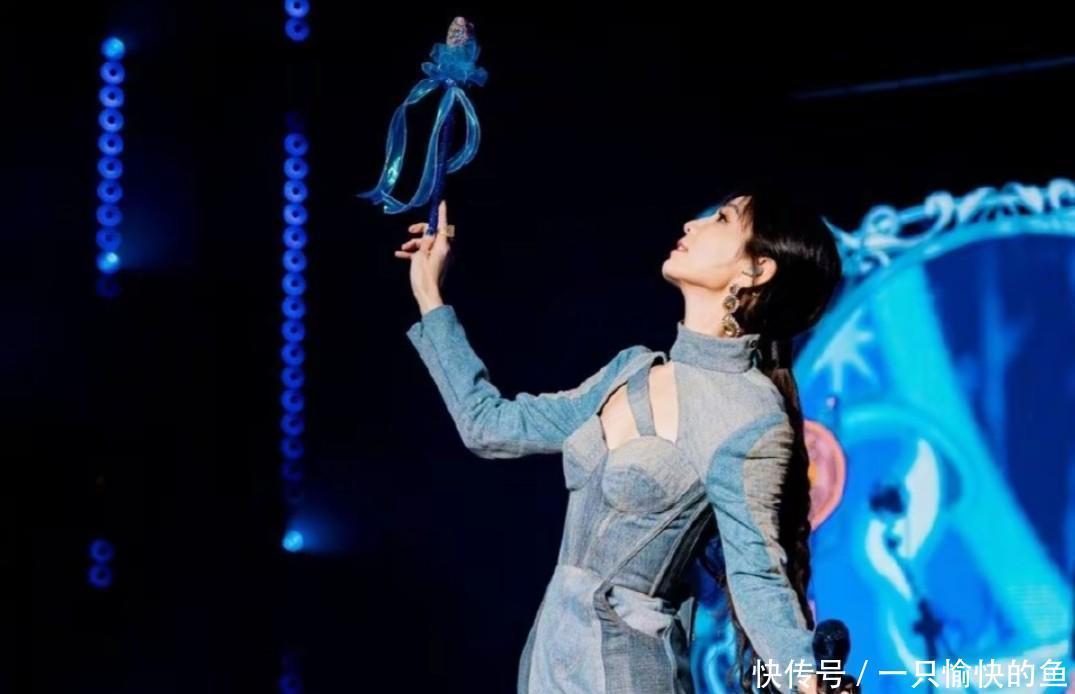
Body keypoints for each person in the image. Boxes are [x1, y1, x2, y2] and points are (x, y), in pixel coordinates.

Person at [395, 186, 843, 694]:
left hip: (626, 670)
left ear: (756, 271)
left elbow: (757, 576)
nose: (693, 224)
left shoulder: (749, 414)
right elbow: (488, 425)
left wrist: (809, 678)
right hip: (549, 661)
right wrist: (430, 296)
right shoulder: (631, 371)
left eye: (721, 219)